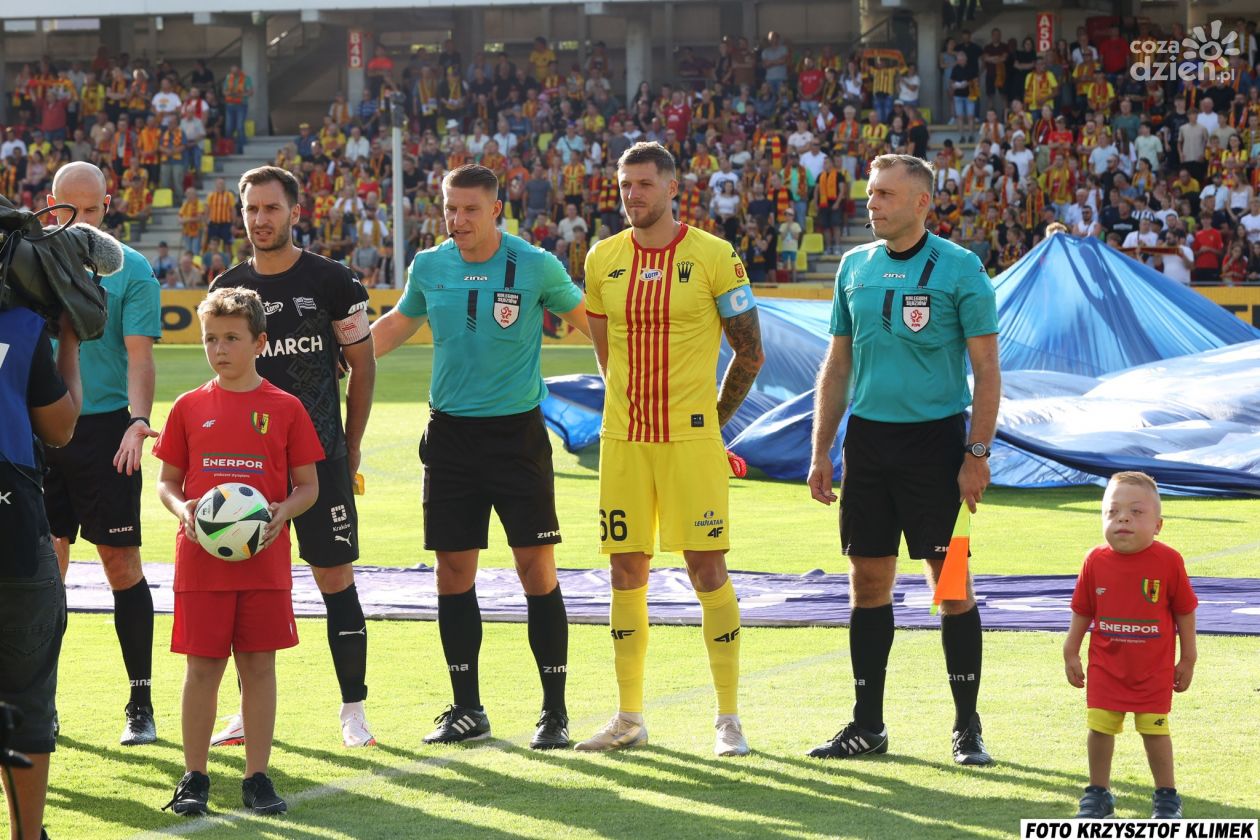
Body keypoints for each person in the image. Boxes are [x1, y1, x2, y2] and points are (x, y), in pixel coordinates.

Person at [370, 163, 590, 749]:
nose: (458, 219)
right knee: (452, 572)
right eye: (450, 208)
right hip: (450, 440)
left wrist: (651, 347)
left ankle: (555, 712)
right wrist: (336, 354)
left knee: (535, 571)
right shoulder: (429, 265)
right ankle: (467, 708)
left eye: (470, 209)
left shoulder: (536, 264)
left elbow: (592, 324)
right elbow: (395, 326)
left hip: (516, 438)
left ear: (497, 210)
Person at [807, 153, 1000, 765]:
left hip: (937, 446)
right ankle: (868, 726)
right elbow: (837, 366)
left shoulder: (961, 268)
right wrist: (820, 451)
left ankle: (967, 727)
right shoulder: (853, 267)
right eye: (871, 194)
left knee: (951, 586)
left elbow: (987, 370)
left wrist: (976, 452)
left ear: (921, 203)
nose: (873, 203)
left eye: (886, 194)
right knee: (867, 583)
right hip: (868, 444)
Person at [574, 141, 764, 757]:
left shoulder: (714, 256)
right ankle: (629, 717)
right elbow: (606, 352)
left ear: (672, 187)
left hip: (690, 442)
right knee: (625, 568)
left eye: (644, 184)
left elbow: (750, 351)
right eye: (625, 184)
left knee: (706, 569)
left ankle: (729, 718)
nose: (633, 194)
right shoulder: (602, 258)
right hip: (624, 441)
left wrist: (712, 419)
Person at [208, 166, 378, 748]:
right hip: (247, 467)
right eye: (252, 209)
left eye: (272, 208)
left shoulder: (333, 282)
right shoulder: (228, 288)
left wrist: (349, 446)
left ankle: (353, 709)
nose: (261, 219)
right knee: (245, 584)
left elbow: (364, 365)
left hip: (319, 458)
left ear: (294, 211)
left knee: (334, 576)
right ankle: (242, 711)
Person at [154, 287, 323, 817]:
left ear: (259, 343)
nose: (220, 348)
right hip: (200, 562)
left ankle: (256, 777)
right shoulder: (188, 406)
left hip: (265, 562)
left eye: (232, 338)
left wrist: (282, 513)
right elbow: (167, 482)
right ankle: (195, 776)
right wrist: (184, 511)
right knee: (202, 668)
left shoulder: (286, 408)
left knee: (258, 667)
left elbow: (307, 486)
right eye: (210, 339)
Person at [41, 161, 163, 746]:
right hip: (38, 431)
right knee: (44, 572)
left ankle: (140, 702)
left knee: (121, 566)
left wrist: (139, 423)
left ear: (108, 205)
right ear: (51, 204)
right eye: (72, 210)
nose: (82, 221)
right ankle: (43, 703)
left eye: (93, 210)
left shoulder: (132, 270)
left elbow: (139, 357)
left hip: (107, 431)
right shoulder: (27, 264)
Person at [1063, 471, 1198, 820]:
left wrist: (1189, 658)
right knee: (1100, 728)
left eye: (1136, 512)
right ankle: (1097, 794)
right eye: (1113, 511)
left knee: (1155, 730)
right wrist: (1071, 650)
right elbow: (1082, 609)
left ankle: (1167, 798)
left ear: (1158, 524)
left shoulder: (1169, 561)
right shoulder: (1095, 560)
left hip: (1152, 671)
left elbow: (1185, 611)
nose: (1123, 518)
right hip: (1106, 667)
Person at [0, 307, 82, 840]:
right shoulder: (20, 325)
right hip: (12, 532)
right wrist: (69, 342)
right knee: (25, 698)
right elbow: (60, 427)